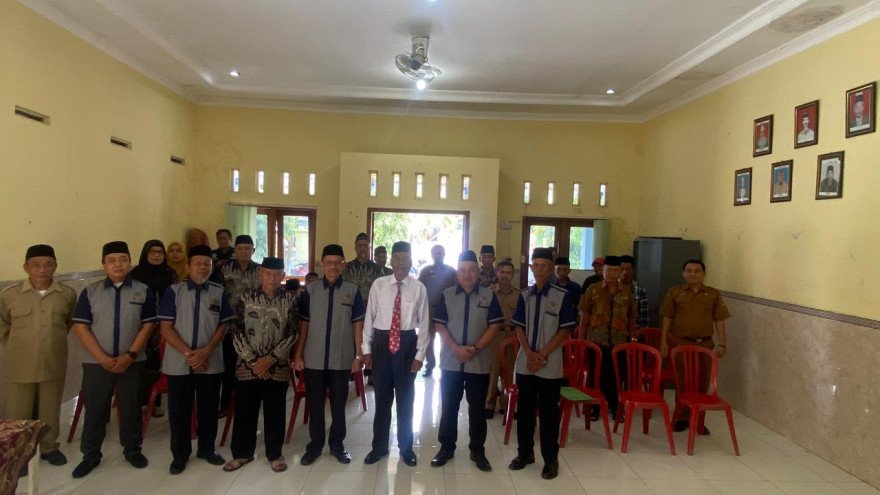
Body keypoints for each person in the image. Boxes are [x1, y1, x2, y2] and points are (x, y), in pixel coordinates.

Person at [70, 241, 157, 478]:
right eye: (112, 260)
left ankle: (132, 450)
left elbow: (148, 325)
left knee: (131, 408)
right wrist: (101, 358)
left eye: (123, 259)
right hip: (96, 362)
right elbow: (81, 327)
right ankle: (90, 455)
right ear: (104, 264)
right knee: (95, 408)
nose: (118, 264)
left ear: (129, 262)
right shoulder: (90, 292)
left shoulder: (143, 290)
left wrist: (130, 355)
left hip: (132, 361)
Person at [158, 245, 233, 474]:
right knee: (179, 411)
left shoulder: (219, 292)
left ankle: (207, 449)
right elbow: (166, 328)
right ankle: (180, 455)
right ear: (188, 265)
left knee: (209, 408)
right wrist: (190, 355)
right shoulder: (174, 291)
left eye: (207, 264)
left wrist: (206, 351)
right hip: (179, 362)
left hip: (210, 361)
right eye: (198, 263)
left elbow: (224, 325)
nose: (202, 268)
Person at [1, 245, 76, 469]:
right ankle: (17, 455)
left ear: (55, 266)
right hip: (20, 363)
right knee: (17, 411)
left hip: (53, 361)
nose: (42, 269)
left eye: (48, 264)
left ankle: (49, 447)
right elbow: (3, 327)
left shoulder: (67, 294)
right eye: (36, 265)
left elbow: (68, 323)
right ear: (26, 267)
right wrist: (20, 345)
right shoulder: (9, 295)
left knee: (50, 407)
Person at [430, 250, 503, 472]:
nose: (467, 274)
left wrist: (474, 348)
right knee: (449, 405)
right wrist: (456, 349)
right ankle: (446, 448)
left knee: (477, 408)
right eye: (462, 270)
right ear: (457, 272)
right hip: (451, 362)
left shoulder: (489, 296)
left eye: (471, 270)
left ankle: (477, 450)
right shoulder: (447, 294)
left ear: (478, 272)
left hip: (478, 362)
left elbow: (494, 326)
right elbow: (439, 325)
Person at [224, 257, 298, 473]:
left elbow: (292, 333)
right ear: (260, 274)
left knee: (275, 411)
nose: (272, 278)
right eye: (268, 273)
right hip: (248, 365)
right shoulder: (245, 298)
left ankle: (275, 454)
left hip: (277, 366)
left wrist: (269, 359)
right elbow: (235, 330)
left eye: (276, 274)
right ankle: (242, 453)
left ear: (282, 276)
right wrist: (253, 360)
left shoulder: (290, 300)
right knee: (245, 409)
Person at [294, 244, 365, 466]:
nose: (333, 266)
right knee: (315, 405)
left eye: (337, 262)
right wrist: (298, 354)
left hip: (341, 358)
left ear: (343, 264)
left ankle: (337, 445)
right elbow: (304, 325)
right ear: (322, 264)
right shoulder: (310, 290)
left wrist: (358, 354)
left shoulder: (352, 290)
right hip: (314, 358)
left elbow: (357, 325)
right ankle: (315, 446)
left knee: (338, 404)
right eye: (328, 262)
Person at [508, 248, 576, 480]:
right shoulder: (524, 295)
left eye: (544, 265)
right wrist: (529, 353)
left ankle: (550, 460)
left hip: (550, 363)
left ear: (551, 269)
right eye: (535, 265)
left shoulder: (562, 296)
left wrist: (542, 354)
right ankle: (525, 454)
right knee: (525, 412)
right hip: (526, 363)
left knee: (548, 414)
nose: (539, 269)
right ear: (531, 268)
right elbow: (519, 327)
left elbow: (564, 331)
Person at [361, 241, 430, 467]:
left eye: (405, 258)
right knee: (382, 398)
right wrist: (366, 349)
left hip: (407, 343)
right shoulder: (379, 285)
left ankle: (406, 448)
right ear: (391, 260)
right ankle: (379, 447)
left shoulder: (419, 288)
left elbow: (424, 324)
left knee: (406, 399)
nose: (400, 263)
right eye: (397, 258)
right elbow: (369, 318)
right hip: (382, 344)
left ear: (411, 261)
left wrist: (420, 355)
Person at [659, 259, 731, 434]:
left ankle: (698, 418)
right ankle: (682, 417)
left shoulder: (713, 294)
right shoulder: (675, 292)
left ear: (703, 273)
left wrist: (722, 344)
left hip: (705, 344)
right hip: (681, 343)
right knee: (683, 382)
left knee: (703, 381)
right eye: (689, 271)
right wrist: (663, 341)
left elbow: (719, 320)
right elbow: (667, 317)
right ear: (683, 273)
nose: (693, 274)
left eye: (697, 271)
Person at [577, 256, 637, 419]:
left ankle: (614, 407)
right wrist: (582, 340)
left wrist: (633, 340)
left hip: (619, 342)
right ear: (602, 271)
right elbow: (585, 316)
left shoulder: (626, 292)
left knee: (616, 376)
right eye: (608, 270)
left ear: (620, 272)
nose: (612, 273)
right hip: (596, 342)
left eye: (615, 270)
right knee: (596, 375)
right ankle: (594, 408)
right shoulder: (593, 289)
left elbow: (631, 318)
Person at [128, 240, 177, 418]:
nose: (157, 255)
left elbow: (175, 300)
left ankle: (154, 403)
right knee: (139, 363)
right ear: (145, 254)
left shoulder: (170, 273)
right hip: (138, 326)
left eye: (160, 252)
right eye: (152, 252)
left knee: (157, 363)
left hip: (163, 326)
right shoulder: (135, 274)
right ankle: (136, 402)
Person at [219, 234, 260, 417]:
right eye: (240, 248)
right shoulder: (223, 269)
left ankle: (248, 404)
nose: (244, 251)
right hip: (229, 326)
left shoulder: (260, 270)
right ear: (235, 250)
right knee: (228, 366)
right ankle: (225, 405)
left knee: (250, 365)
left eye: (247, 248)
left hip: (252, 327)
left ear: (253, 250)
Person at [485, 260, 519, 419]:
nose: (505, 275)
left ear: (513, 275)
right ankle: (489, 403)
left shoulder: (519, 294)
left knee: (510, 371)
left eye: (508, 272)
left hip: (513, 335)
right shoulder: (489, 293)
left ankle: (507, 404)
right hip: (495, 335)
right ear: (497, 273)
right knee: (494, 369)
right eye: (502, 272)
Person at [418, 244, 458, 377]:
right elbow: (419, 290)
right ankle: (430, 364)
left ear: (444, 254)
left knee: (446, 339)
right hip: (429, 309)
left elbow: (457, 291)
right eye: (435, 253)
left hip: (447, 310)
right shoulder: (425, 271)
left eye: (440, 253)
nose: (438, 255)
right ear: (432, 255)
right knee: (428, 339)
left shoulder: (452, 272)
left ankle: (444, 365)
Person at [343, 232, 384, 304]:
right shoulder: (347, 268)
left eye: (365, 245)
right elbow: (343, 290)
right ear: (355, 248)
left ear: (369, 248)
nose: (362, 248)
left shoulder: (377, 269)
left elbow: (382, 292)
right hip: (352, 308)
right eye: (360, 245)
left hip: (372, 308)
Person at [619, 255, 650, 328]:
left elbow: (644, 315)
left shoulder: (640, 289)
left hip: (634, 328)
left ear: (633, 270)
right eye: (622, 269)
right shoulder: (612, 287)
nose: (624, 272)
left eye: (627, 269)